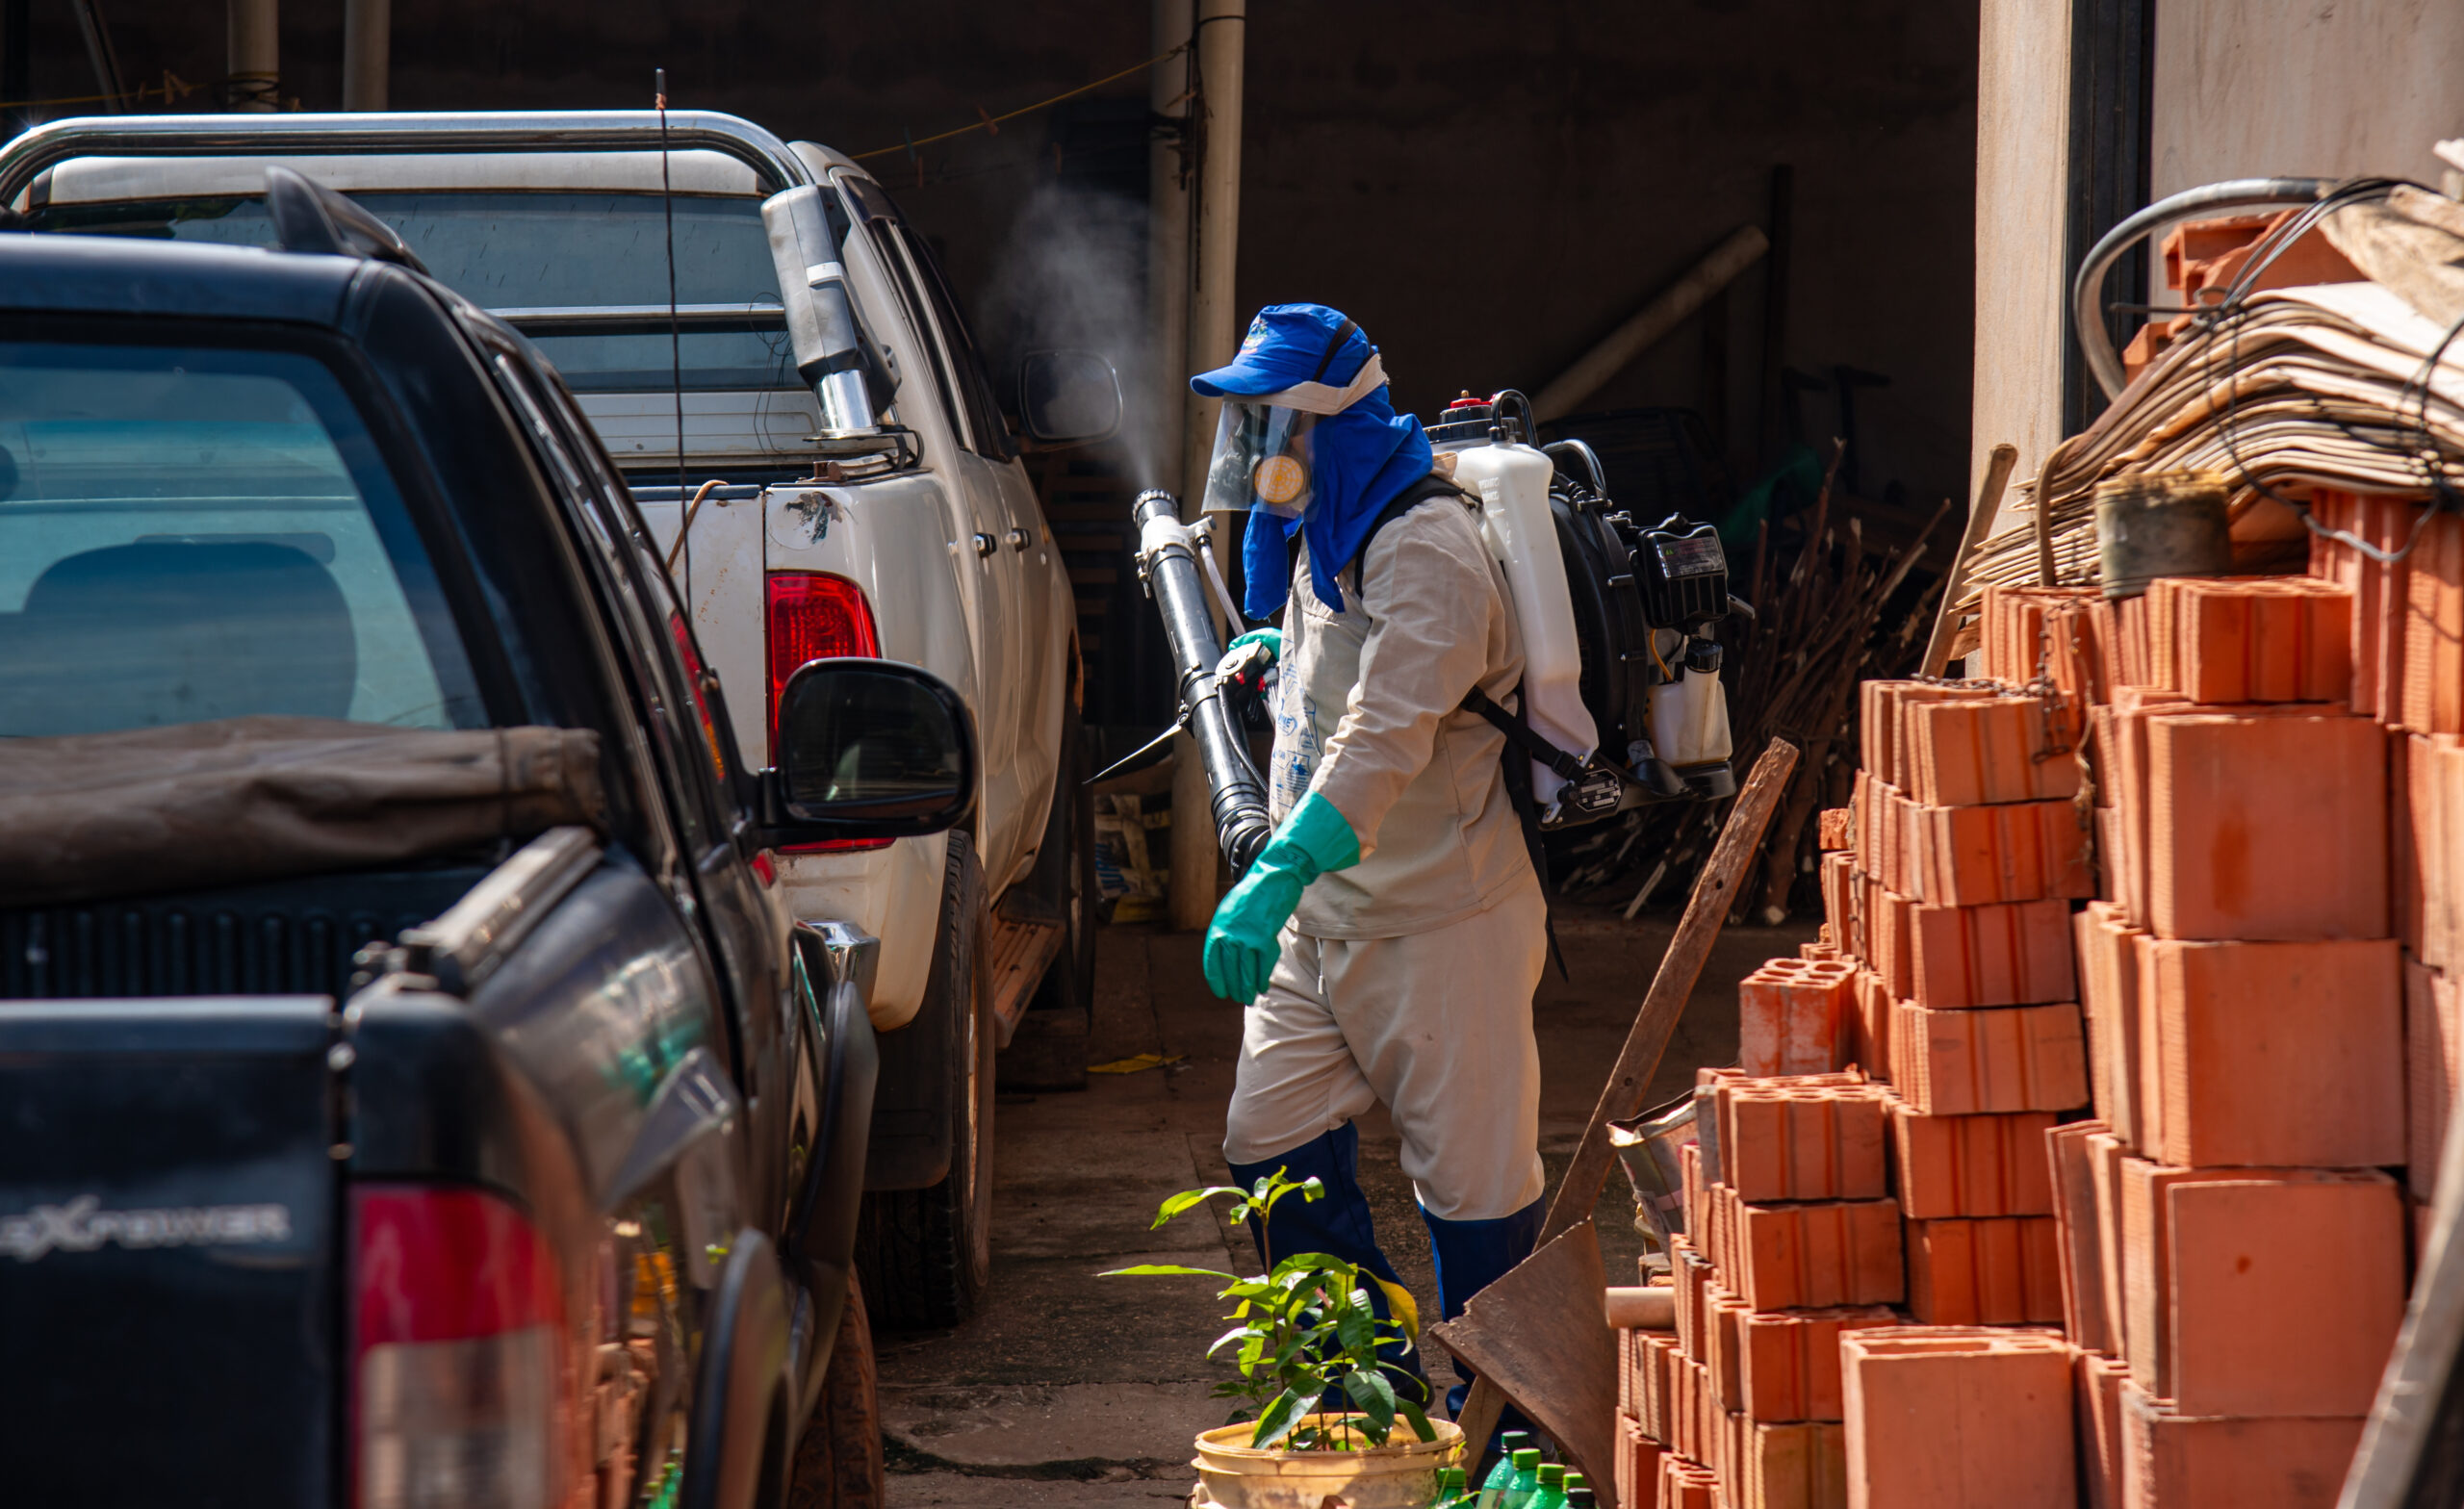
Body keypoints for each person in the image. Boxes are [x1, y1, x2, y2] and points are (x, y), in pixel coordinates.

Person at [1192, 303, 1547, 1418]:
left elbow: (1381, 739)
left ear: (1330, 425)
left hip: (1441, 923)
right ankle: (1371, 1390)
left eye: (1274, 423)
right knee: (1268, 1143)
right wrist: (1271, 640)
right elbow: (1332, 670)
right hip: (1326, 912)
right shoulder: (1328, 526)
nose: (1258, 452)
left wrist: (1272, 873)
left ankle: (1501, 1433)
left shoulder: (1429, 547)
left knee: (1472, 1192)